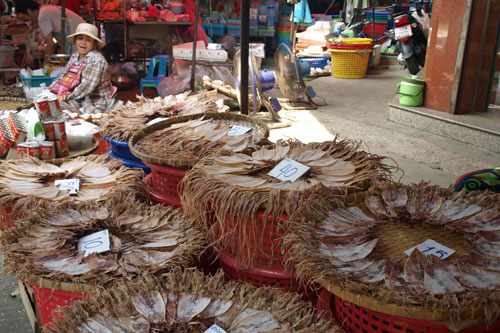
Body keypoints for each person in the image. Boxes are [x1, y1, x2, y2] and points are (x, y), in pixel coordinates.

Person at [50, 23, 112, 111]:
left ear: (94, 43)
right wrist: (51, 91)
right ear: (75, 41)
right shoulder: (75, 56)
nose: (83, 43)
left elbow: (86, 87)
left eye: (88, 40)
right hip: (77, 97)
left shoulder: (96, 59)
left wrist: (64, 98)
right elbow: (63, 76)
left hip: (95, 101)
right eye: (80, 38)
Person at [14, 0, 85, 55]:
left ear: (29, 11)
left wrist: (46, 62)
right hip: (80, 38)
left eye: (26, 18)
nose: (29, 21)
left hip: (80, 41)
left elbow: (51, 44)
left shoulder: (42, 16)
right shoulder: (46, 9)